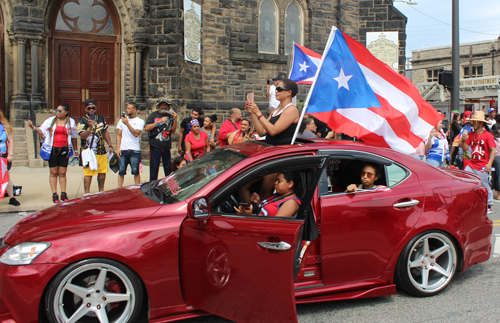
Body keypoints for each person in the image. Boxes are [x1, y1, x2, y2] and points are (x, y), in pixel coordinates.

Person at [29, 103, 78, 203]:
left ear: (66, 112)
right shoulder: (51, 120)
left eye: (60, 111)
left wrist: (76, 150)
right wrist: (33, 128)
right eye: (56, 110)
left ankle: (63, 193)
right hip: (53, 149)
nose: (57, 112)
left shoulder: (71, 122)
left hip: (64, 149)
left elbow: (74, 137)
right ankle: (54, 194)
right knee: (53, 173)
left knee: (62, 173)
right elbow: (41, 131)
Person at [460, 110, 496, 214]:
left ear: (481, 123)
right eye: (472, 121)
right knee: (466, 181)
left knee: (484, 184)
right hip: (472, 164)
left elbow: (493, 150)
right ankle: (472, 202)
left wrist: (489, 163)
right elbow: (465, 149)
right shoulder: (470, 135)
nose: (473, 123)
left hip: (483, 165)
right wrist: (462, 140)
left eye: (475, 122)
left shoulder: (488, 135)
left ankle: (489, 205)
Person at [246, 78, 300, 146]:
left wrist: (258, 113)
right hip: (271, 151)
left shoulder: (291, 109)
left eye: (279, 89)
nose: (276, 91)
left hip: (281, 152)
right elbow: (262, 132)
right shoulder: (277, 109)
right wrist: (252, 113)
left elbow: (273, 131)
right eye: (275, 89)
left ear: (289, 92)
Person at [77, 99, 114, 194]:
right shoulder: (82, 121)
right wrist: (89, 128)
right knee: (88, 173)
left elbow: (105, 131)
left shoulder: (100, 118)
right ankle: (87, 193)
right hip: (89, 151)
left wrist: (110, 145)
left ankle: (101, 192)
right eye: (89, 108)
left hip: (101, 150)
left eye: (93, 108)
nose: (91, 110)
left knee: (102, 172)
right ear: (85, 109)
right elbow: (82, 135)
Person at [234, 172, 300, 217]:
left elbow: (275, 225)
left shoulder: (291, 203)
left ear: (290, 184)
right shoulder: (279, 195)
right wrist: (258, 202)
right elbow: (267, 213)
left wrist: (250, 216)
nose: (275, 183)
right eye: (275, 180)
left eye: (279, 181)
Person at [145, 97, 178, 181]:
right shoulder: (153, 115)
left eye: (165, 105)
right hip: (155, 145)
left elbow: (173, 130)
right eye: (162, 104)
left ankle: (169, 186)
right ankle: (152, 185)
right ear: (158, 105)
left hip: (166, 145)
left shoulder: (170, 116)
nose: (164, 106)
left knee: (168, 169)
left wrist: (175, 120)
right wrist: (159, 122)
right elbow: (146, 128)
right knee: (154, 168)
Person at [116, 102, 145, 187]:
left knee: (136, 171)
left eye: (129, 108)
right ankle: (119, 189)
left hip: (134, 149)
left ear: (134, 110)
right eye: (126, 108)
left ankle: (137, 188)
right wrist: (118, 148)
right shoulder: (121, 120)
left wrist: (127, 124)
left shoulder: (140, 121)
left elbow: (136, 134)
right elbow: (119, 135)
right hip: (123, 149)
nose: (127, 110)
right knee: (121, 171)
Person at [0, 111, 20, 206]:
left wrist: (10, 154)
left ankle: (11, 198)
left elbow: (11, 141)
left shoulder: (4, 127)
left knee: (6, 177)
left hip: (3, 157)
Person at [490, 123, 500, 200]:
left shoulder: (491, 138)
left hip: (493, 158)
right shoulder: (496, 138)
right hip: (497, 158)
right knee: (498, 176)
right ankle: (498, 194)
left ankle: (495, 192)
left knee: (495, 175)